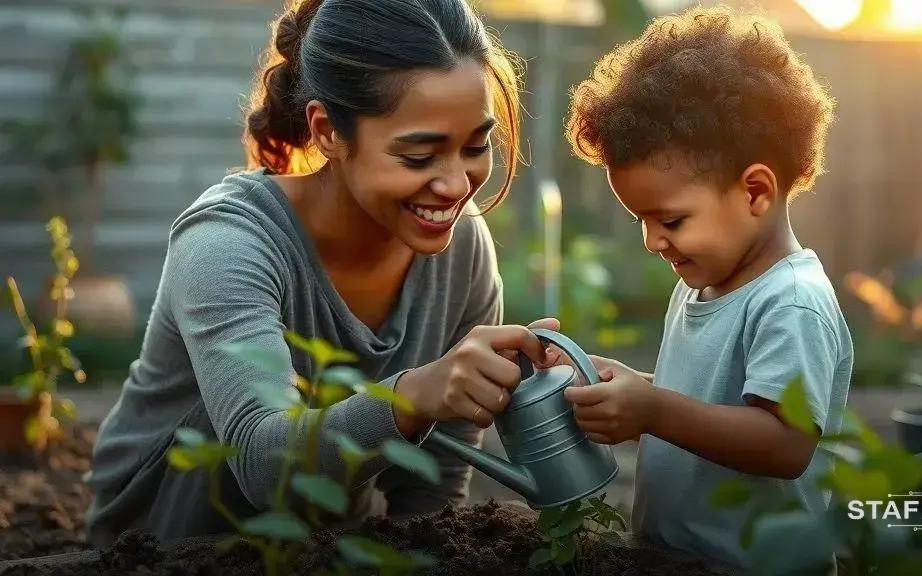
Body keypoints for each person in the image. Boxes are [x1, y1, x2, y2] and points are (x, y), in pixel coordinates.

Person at [84, 0, 560, 548]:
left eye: (476, 147)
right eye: (418, 156)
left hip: (318, 540)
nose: (455, 186)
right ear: (328, 130)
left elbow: (434, 487)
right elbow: (263, 466)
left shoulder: (463, 250)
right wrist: (414, 394)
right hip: (161, 538)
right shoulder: (228, 241)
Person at [559, 6, 853, 571]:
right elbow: (706, 407)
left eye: (669, 220)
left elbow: (784, 444)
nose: (651, 241)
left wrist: (652, 411)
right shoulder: (703, 282)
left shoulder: (790, 302)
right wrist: (632, 388)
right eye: (640, 220)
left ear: (755, 192)